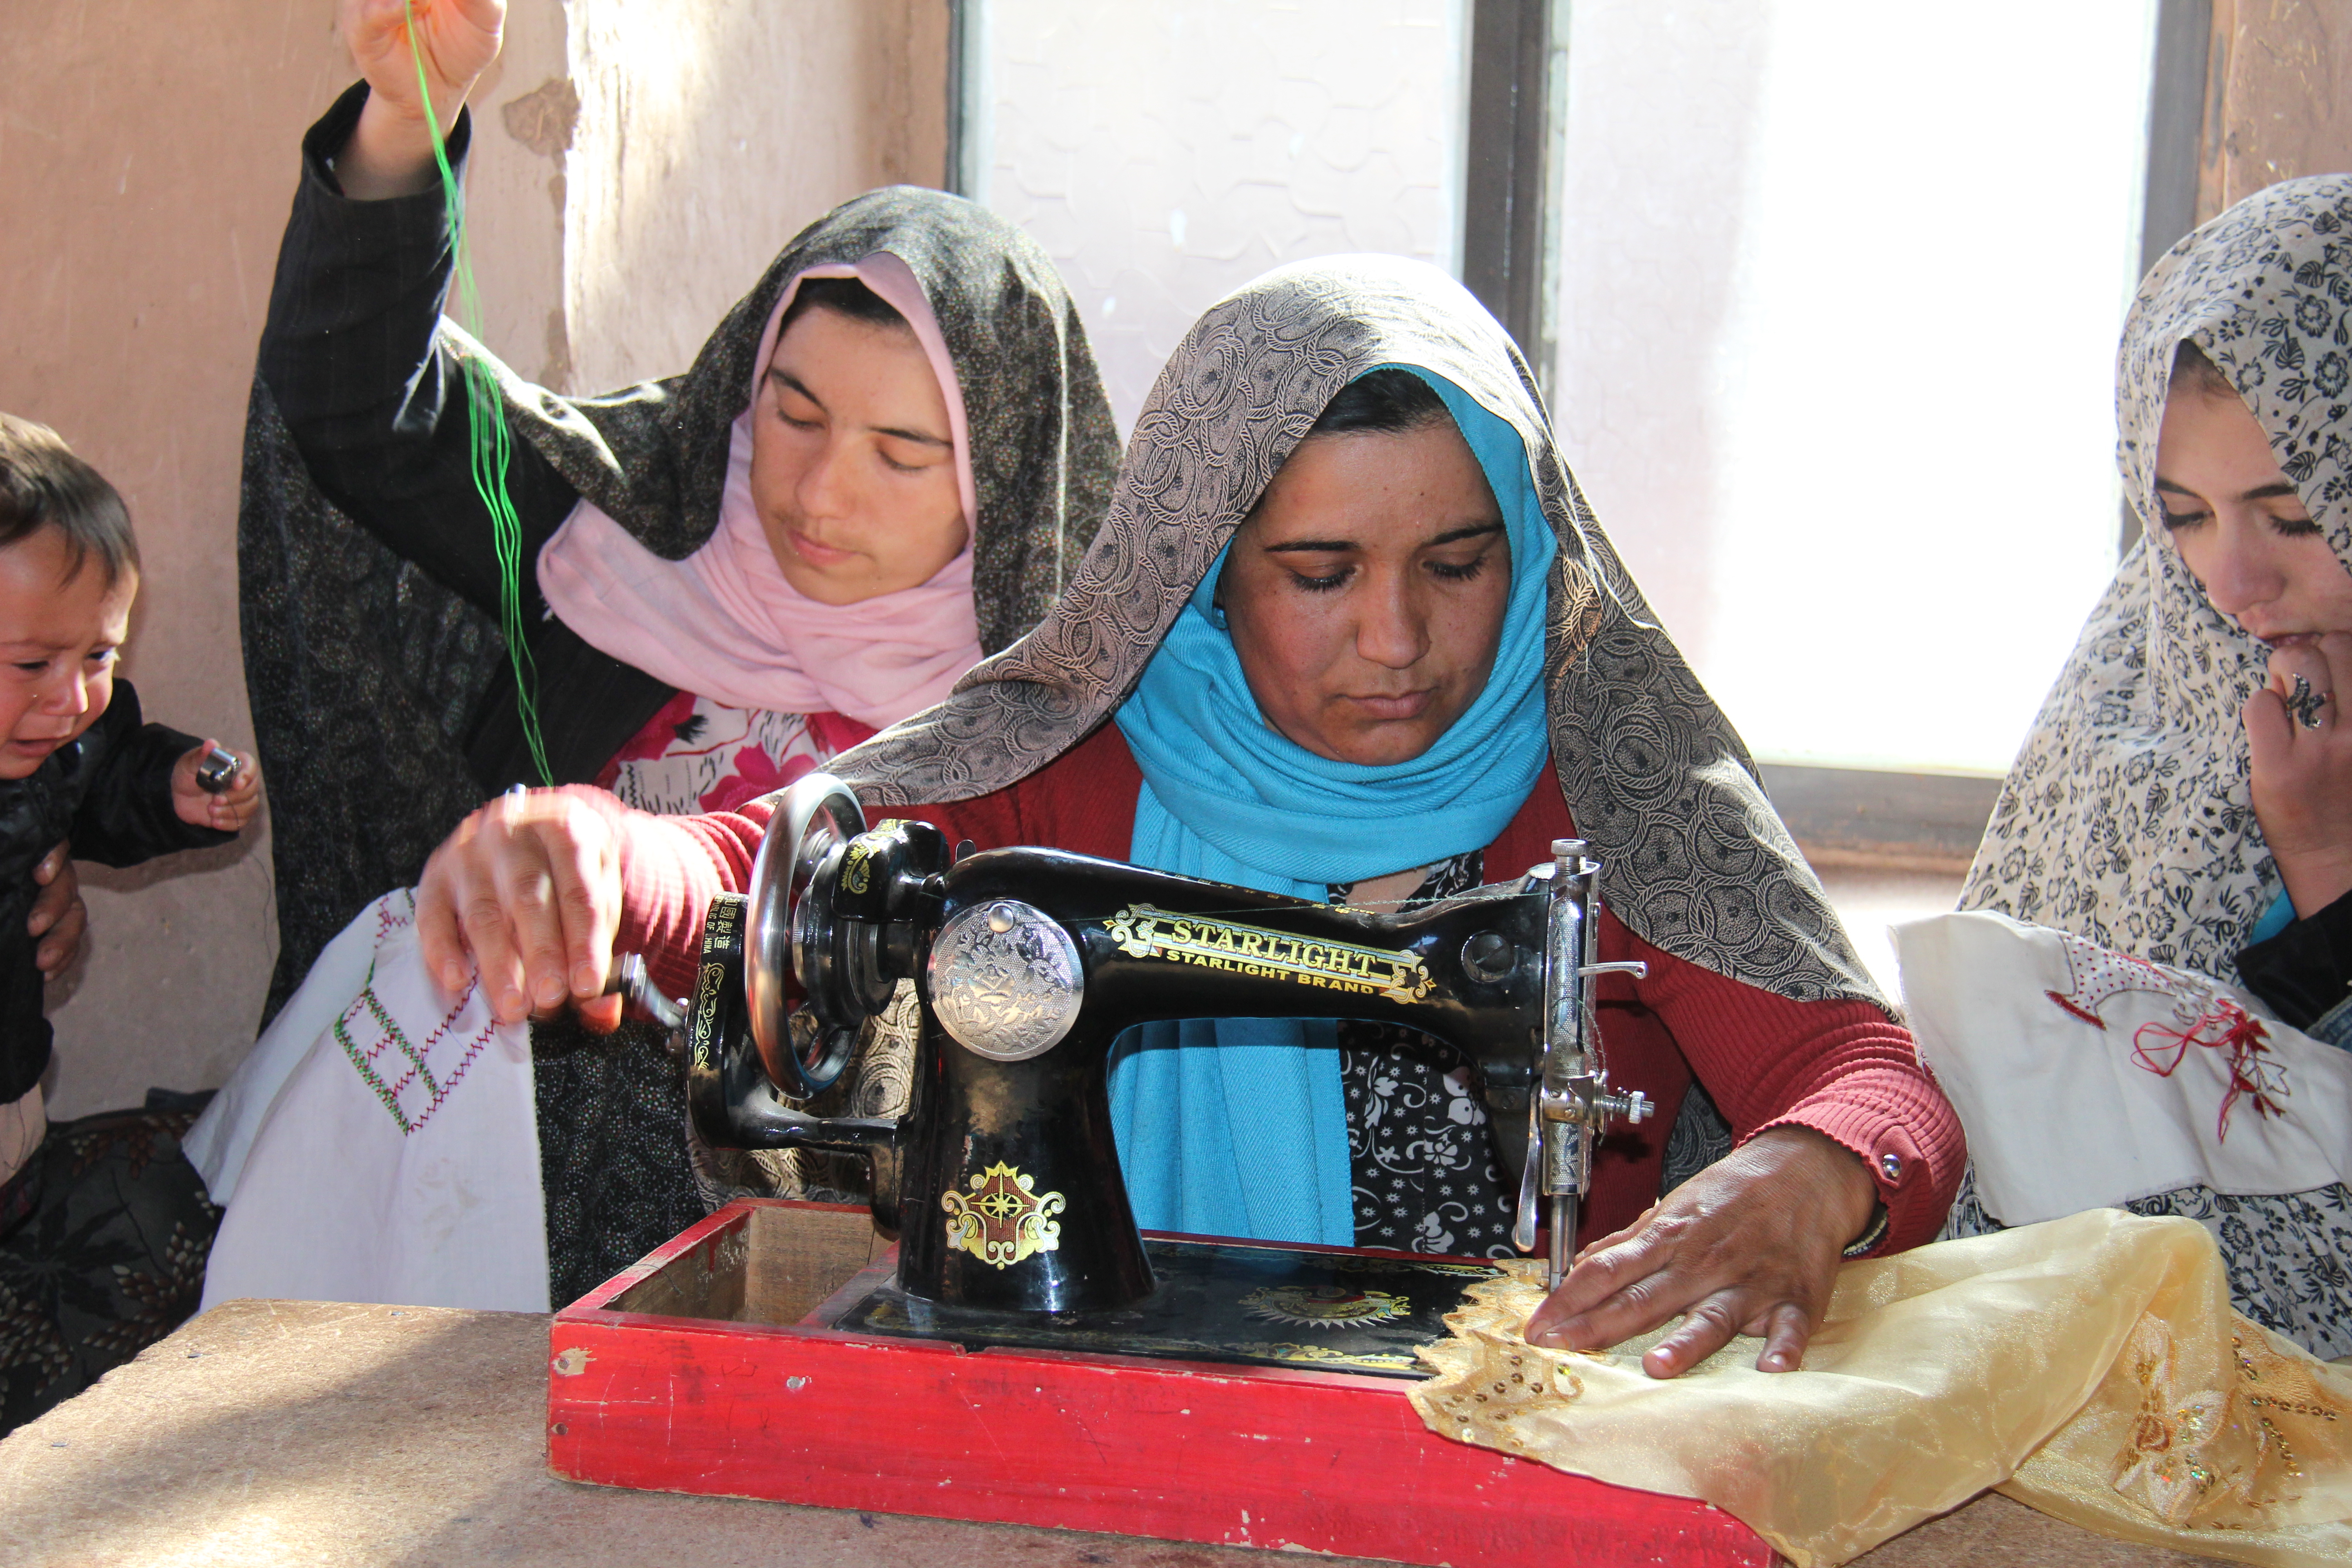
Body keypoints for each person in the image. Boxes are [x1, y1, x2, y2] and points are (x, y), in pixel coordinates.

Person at [411, 255, 1966, 1378]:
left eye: (1456, 560)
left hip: (1522, 1453)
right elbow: (771, 872)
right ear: (1202, 573)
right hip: (1093, 1442)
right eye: (1318, 572)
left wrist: (1818, 1168)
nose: (1397, 640)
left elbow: (1863, 1075)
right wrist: (604, 856)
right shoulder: (1076, 757)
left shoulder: (1607, 785)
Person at [193, 0, 1118, 1308]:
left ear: (1001, 483)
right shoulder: (633, 524)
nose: (816, 492)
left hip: (815, 1272)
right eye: (789, 412)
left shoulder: (1045, 708)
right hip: (485, 1208)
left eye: (903, 454)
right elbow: (355, 411)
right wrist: (408, 119)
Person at [1953, 174, 2352, 1357]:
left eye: (2292, 515)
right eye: (2181, 513)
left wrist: (2326, 867)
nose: (2232, 582)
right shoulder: (2146, 672)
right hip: (2096, 1365)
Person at [0, 415, 263, 1431]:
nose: (70, 698)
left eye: (98, 655)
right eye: (30, 666)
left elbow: (107, 768)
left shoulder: (58, 739)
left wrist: (170, 783)